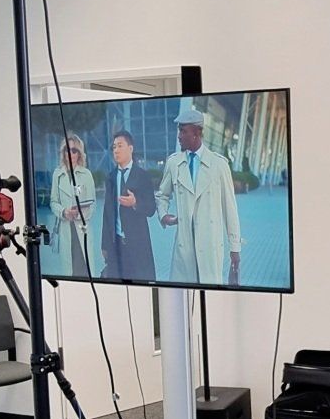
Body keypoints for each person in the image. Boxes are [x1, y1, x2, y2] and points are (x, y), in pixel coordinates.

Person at [156, 103, 242, 285]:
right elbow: (162, 195)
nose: (179, 136)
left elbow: (230, 209)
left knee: (209, 293)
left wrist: (235, 247)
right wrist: (163, 215)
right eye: (179, 131)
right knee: (181, 294)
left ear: (196, 132)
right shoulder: (173, 163)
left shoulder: (219, 165)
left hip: (210, 246)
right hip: (184, 247)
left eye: (183, 131)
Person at [99, 129, 157, 282]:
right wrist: (104, 244)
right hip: (116, 246)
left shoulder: (143, 176)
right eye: (114, 147)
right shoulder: (110, 177)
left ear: (130, 148)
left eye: (120, 146)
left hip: (138, 245)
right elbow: (107, 213)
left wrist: (135, 203)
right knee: (116, 286)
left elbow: (151, 208)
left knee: (140, 284)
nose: (116, 150)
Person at [49, 134, 98, 276]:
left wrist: (78, 214)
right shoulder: (57, 175)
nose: (70, 154)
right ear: (63, 152)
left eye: (74, 150)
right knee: (69, 272)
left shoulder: (86, 174)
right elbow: (53, 202)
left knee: (85, 270)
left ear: (79, 153)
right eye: (67, 150)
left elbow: (93, 204)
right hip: (65, 229)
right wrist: (64, 212)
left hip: (82, 228)